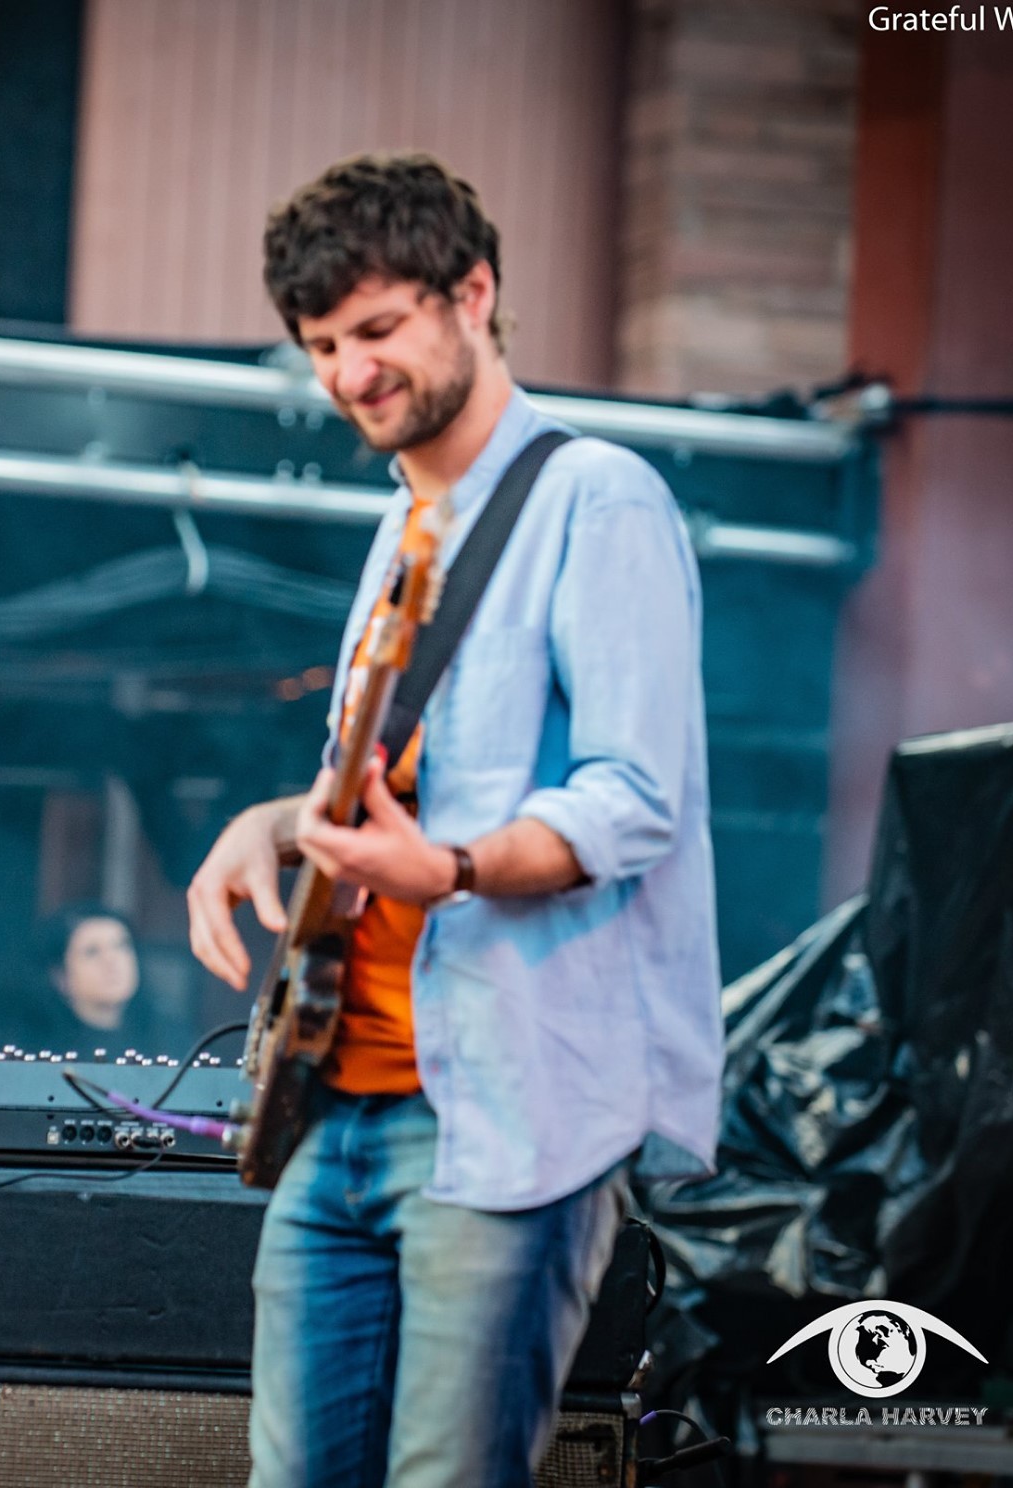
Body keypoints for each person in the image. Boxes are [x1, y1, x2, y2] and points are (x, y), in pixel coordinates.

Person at [184, 153, 722, 1486]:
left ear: (473, 293)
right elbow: (380, 783)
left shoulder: (597, 497)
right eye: (320, 346)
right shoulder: (400, 532)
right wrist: (272, 827)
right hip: (336, 1106)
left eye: (376, 331)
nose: (348, 374)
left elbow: (635, 797)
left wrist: (451, 868)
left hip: (504, 1109)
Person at [0, 905, 165, 1058]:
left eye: (121, 945)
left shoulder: (167, 1037)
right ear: (60, 976)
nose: (112, 961)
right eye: (92, 952)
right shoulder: (32, 1049)